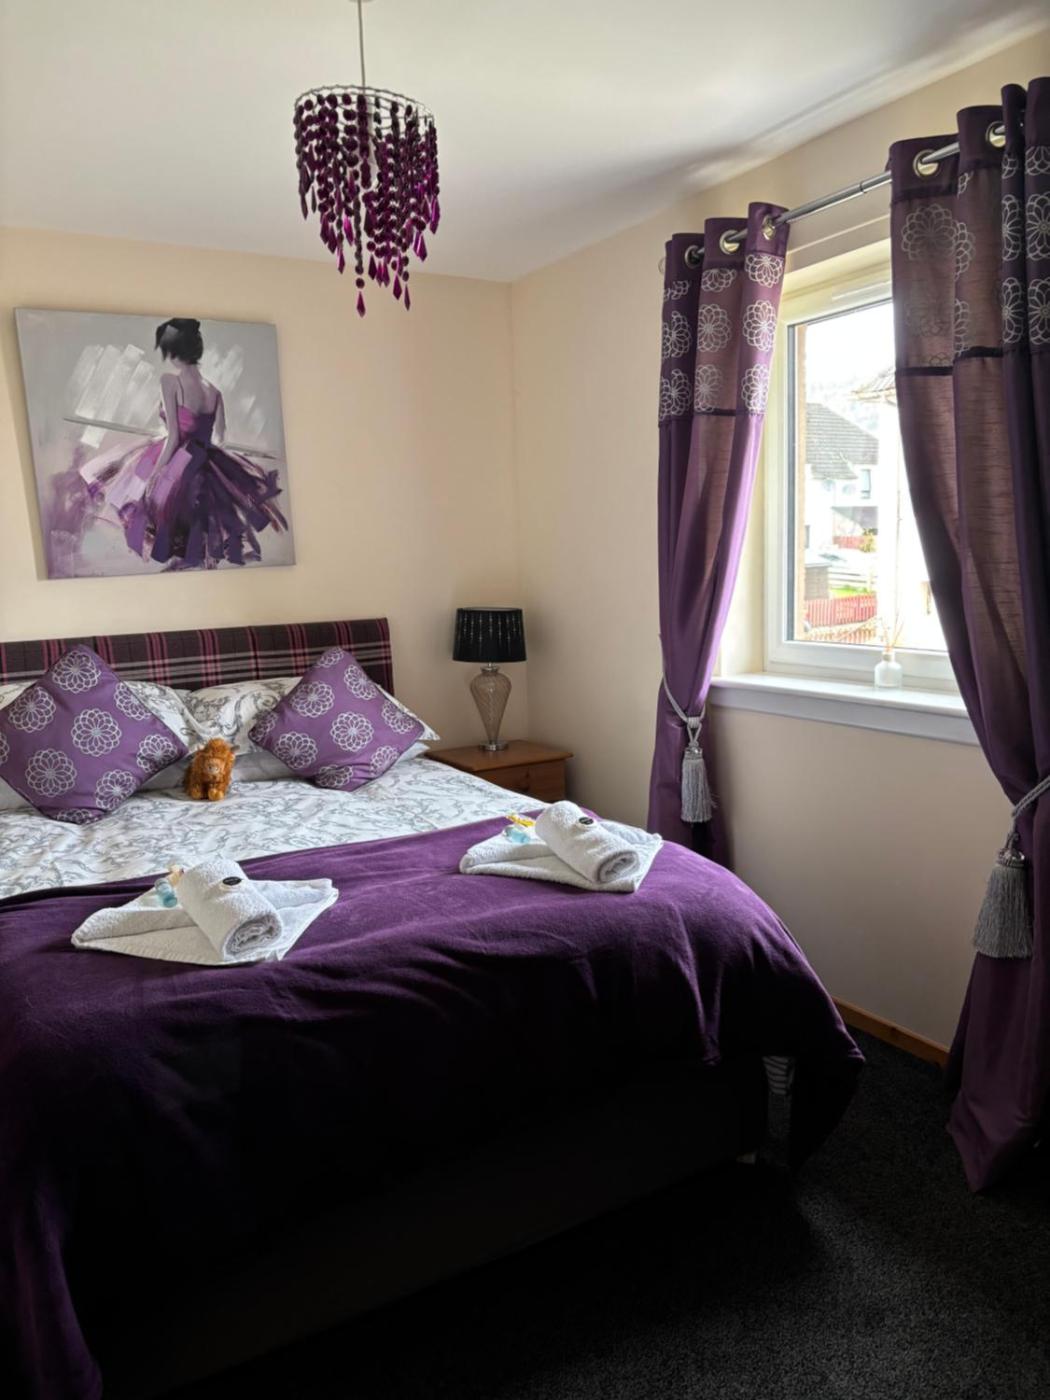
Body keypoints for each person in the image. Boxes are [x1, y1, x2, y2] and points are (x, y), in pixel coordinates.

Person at [80, 318, 287, 568]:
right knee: (195, 525)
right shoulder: (214, 392)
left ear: (175, 351)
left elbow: (174, 438)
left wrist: (155, 476)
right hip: (204, 461)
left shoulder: (170, 382)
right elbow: (220, 439)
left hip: (178, 459)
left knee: (139, 492)